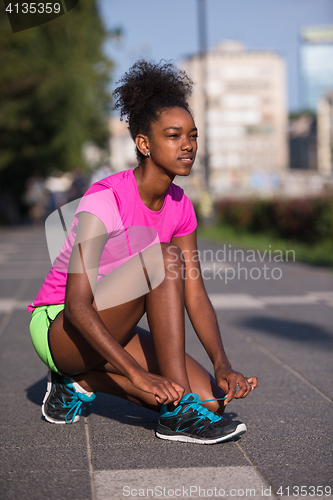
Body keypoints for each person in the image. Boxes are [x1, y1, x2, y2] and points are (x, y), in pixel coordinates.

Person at [28, 60, 258, 444]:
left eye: (192, 135)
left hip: (110, 323)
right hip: (61, 326)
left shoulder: (181, 204)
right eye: (173, 135)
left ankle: (84, 380)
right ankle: (176, 414)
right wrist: (137, 373)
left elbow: (195, 294)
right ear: (144, 144)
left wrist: (223, 364)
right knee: (165, 257)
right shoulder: (105, 200)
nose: (187, 145)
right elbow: (78, 305)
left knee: (213, 401)